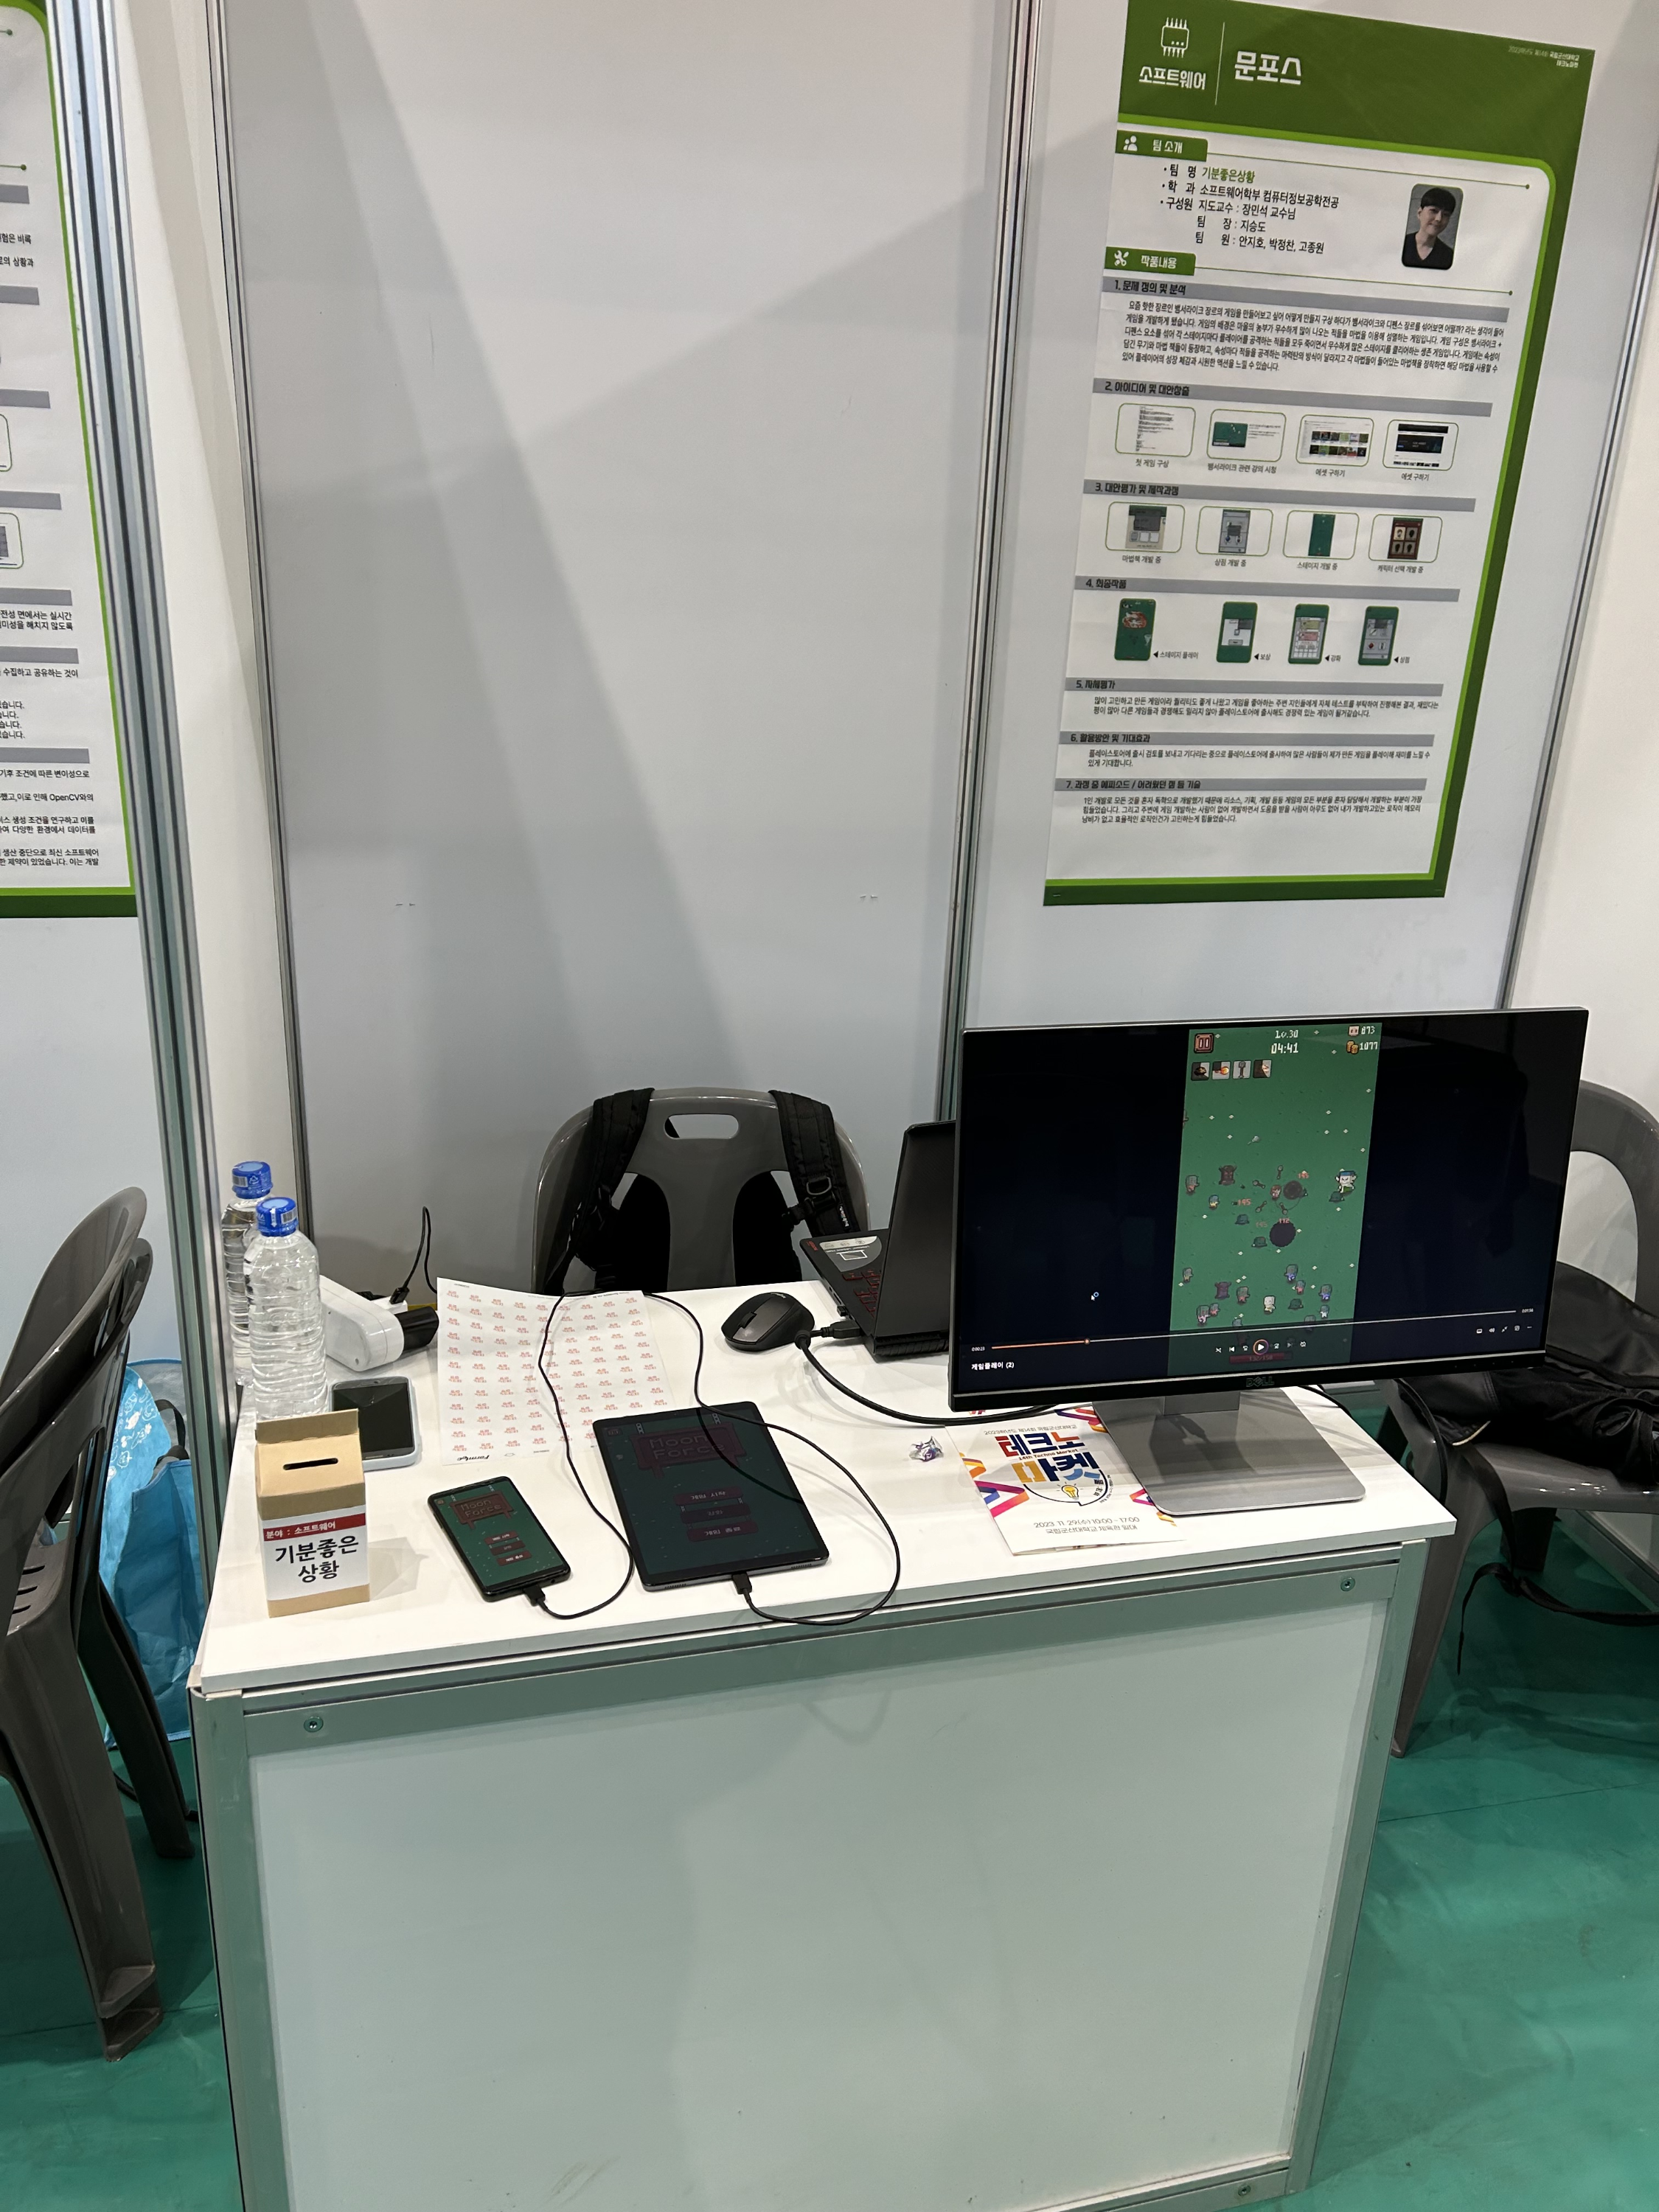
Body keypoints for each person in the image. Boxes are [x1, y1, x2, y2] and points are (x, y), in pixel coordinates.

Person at [1403, 186, 1456, 271]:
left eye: (1446, 214)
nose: (1439, 219)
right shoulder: (1402, 243)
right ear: (1420, 213)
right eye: (1434, 211)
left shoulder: (1449, 256)